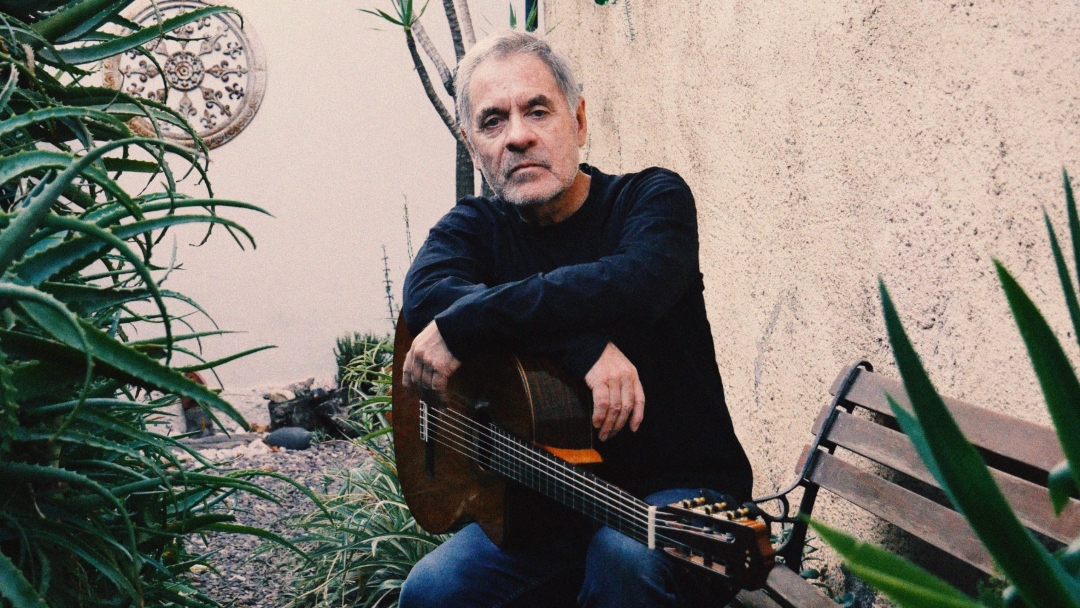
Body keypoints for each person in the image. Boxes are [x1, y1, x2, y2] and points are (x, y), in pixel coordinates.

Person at [397, 30, 753, 608]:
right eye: (493, 121)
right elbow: (427, 298)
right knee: (432, 590)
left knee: (622, 558)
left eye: (537, 110)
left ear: (579, 120)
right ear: (472, 145)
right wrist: (580, 347)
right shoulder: (473, 228)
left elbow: (636, 285)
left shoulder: (651, 200)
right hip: (547, 509)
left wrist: (472, 322)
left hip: (679, 500)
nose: (518, 136)